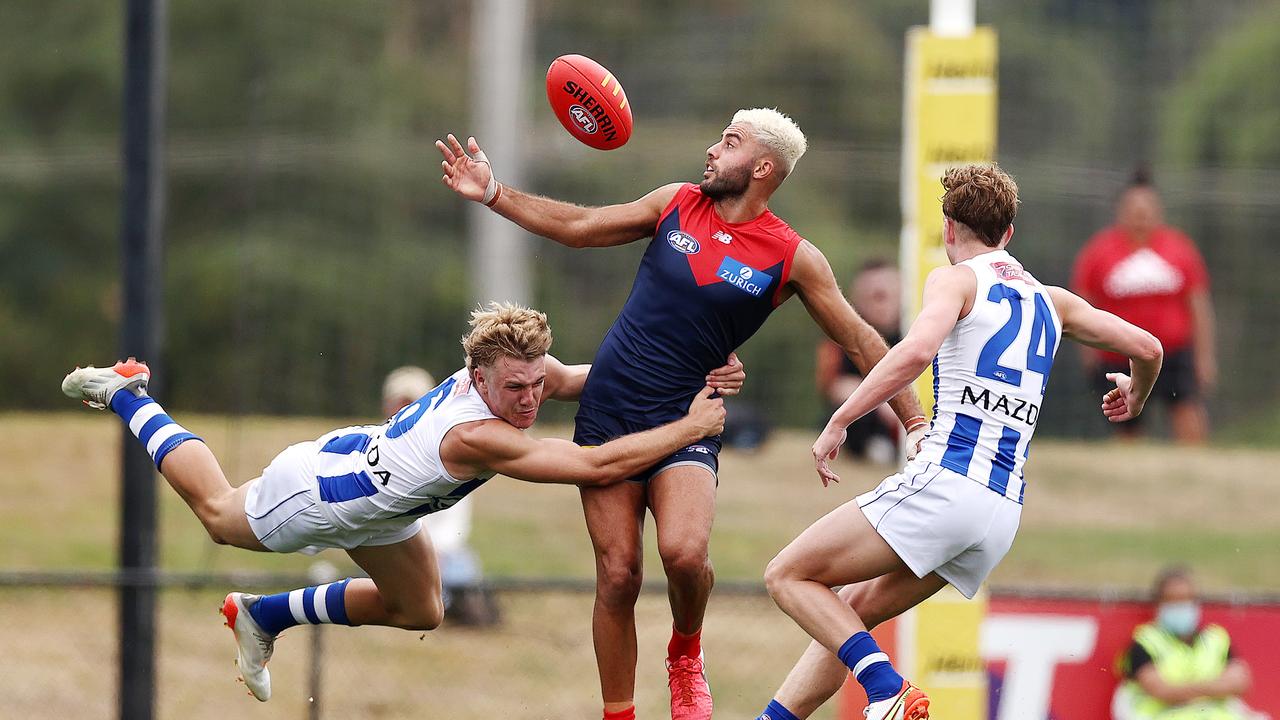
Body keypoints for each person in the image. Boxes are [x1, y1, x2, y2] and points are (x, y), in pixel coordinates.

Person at [436, 109, 929, 720]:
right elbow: (582, 225)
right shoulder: (676, 202)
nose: (712, 150)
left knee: (685, 554)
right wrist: (493, 192)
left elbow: (862, 340)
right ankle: (620, 713)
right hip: (610, 410)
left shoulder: (792, 257)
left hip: (686, 420)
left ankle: (685, 653)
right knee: (617, 576)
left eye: (729, 142)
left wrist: (915, 424)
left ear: (763, 167)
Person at [60, 303, 741, 703]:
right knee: (216, 511)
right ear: (480, 379)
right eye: (517, 389)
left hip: (380, 497)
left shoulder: (507, 376)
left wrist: (695, 377)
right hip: (322, 495)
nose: (532, 399)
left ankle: (264, 615)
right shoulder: (479, 435)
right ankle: (130, 394)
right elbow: (595, 463)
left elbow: (593, 380)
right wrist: (691, 427)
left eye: (537, 383)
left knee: (423, 610)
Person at [753, 164, 1164, 720]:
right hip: (1000, 514)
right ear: (1009, 233)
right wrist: (1135, 399)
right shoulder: (1054, 300)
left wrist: (842, 417)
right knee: (851, 611)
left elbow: (917, 350)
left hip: (949, 483)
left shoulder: (957, 279)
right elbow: (1149, 347)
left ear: (949, 227)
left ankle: (886, 689)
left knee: (788, 575)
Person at [1072, 170, 1215, 443]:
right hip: (1119, 354)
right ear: (1121, 211)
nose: (1141, 216)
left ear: (1158, 211)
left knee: (1187, 413)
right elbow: (1082, 304)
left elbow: (1198, 305)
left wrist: (1204, 357)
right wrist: (1089, 353)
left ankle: (1197, 468)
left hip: (1174, 354)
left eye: (1147, 210)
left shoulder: (1179, 249)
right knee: (1126, 423)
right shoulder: (1099, 252)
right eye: (1134, 210)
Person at [382, 366, 496, 627]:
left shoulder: (446, 451)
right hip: (394, 544)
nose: (401, 411)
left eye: (410, 404)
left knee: (462, 569)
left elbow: (455, 518)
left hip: (439, 550)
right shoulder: (379, 451)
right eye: (398, 403)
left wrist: (435, 549)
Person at [1112, 567, 1262, 720]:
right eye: (1173, 600)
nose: (1181, 606)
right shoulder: (1145, 642)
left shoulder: (1216, 639)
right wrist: (1216, 687)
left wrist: (1186, 689)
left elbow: (1241, 682)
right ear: (1158, 604)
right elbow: (1163, 691)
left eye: (1186, 599)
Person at [815, 260, 902, 463]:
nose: (881, 304)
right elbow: (833, 385)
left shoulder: (915, 332)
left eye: (886, 296)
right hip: (868, 419)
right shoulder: (843, 336)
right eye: (875, 297)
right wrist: (883, 400)